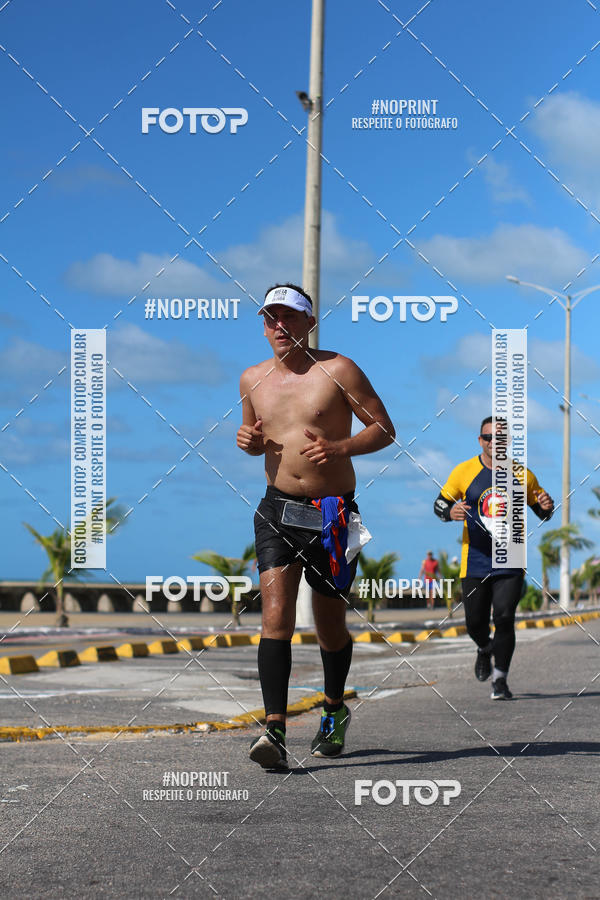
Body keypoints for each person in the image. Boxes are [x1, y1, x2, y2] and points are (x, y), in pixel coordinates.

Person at [237, 283, 395, 768]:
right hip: (278, 510)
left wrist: (339, 448)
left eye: (289, 317)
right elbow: (254, 436)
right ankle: (275, 730)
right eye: (270, 318)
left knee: (329, 625)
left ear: (310, 322)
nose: (279, 327)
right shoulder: (251, 379)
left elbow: (384, 429)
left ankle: (333, 708)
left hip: (332, 515)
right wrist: (246, 440)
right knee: (276, 617)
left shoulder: (339, 369)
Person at [433, 415, 554, 700]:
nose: (493, 442)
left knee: (504, 616)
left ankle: (500, 679)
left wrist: (548, 507)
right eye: (488, 437)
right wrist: (450, 513)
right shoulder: (463, 472)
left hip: (510, 559)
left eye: (499, 438)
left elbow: (542, 510)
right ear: (480, 440)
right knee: (475, 623)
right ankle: (484, 647)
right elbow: (440, 504)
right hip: (474, 559)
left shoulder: (523, 475)